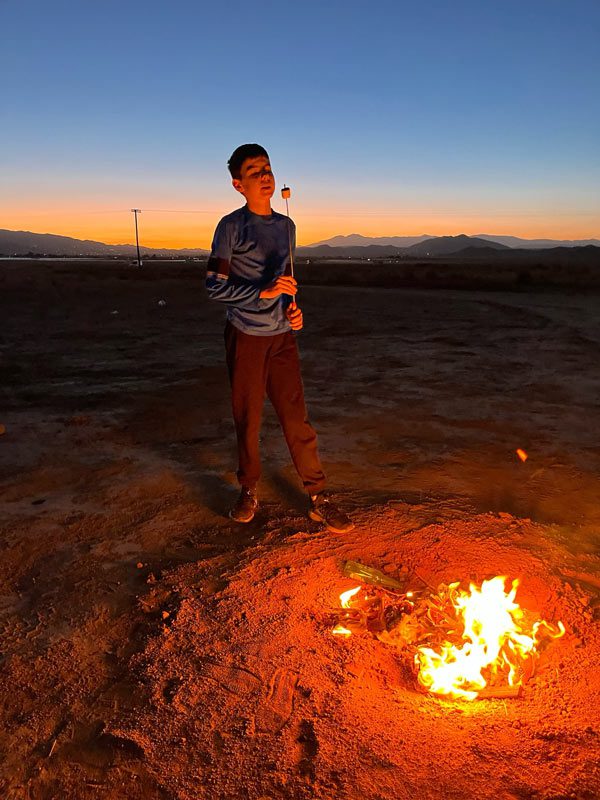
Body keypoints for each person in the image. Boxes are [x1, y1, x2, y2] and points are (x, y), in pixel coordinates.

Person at [205, 143, 354, 533]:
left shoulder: (287, 226)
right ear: (239, 185)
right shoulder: (231, 226)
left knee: (297, 419)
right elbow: (214, 286)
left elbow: (286, 284)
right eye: (254, 171)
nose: (265, 175)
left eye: (267, 167)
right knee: (248, 417)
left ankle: (318, 497)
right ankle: (248, 489)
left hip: (282, 338)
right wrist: (261, 293)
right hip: (246, 337)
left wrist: (293, 310)